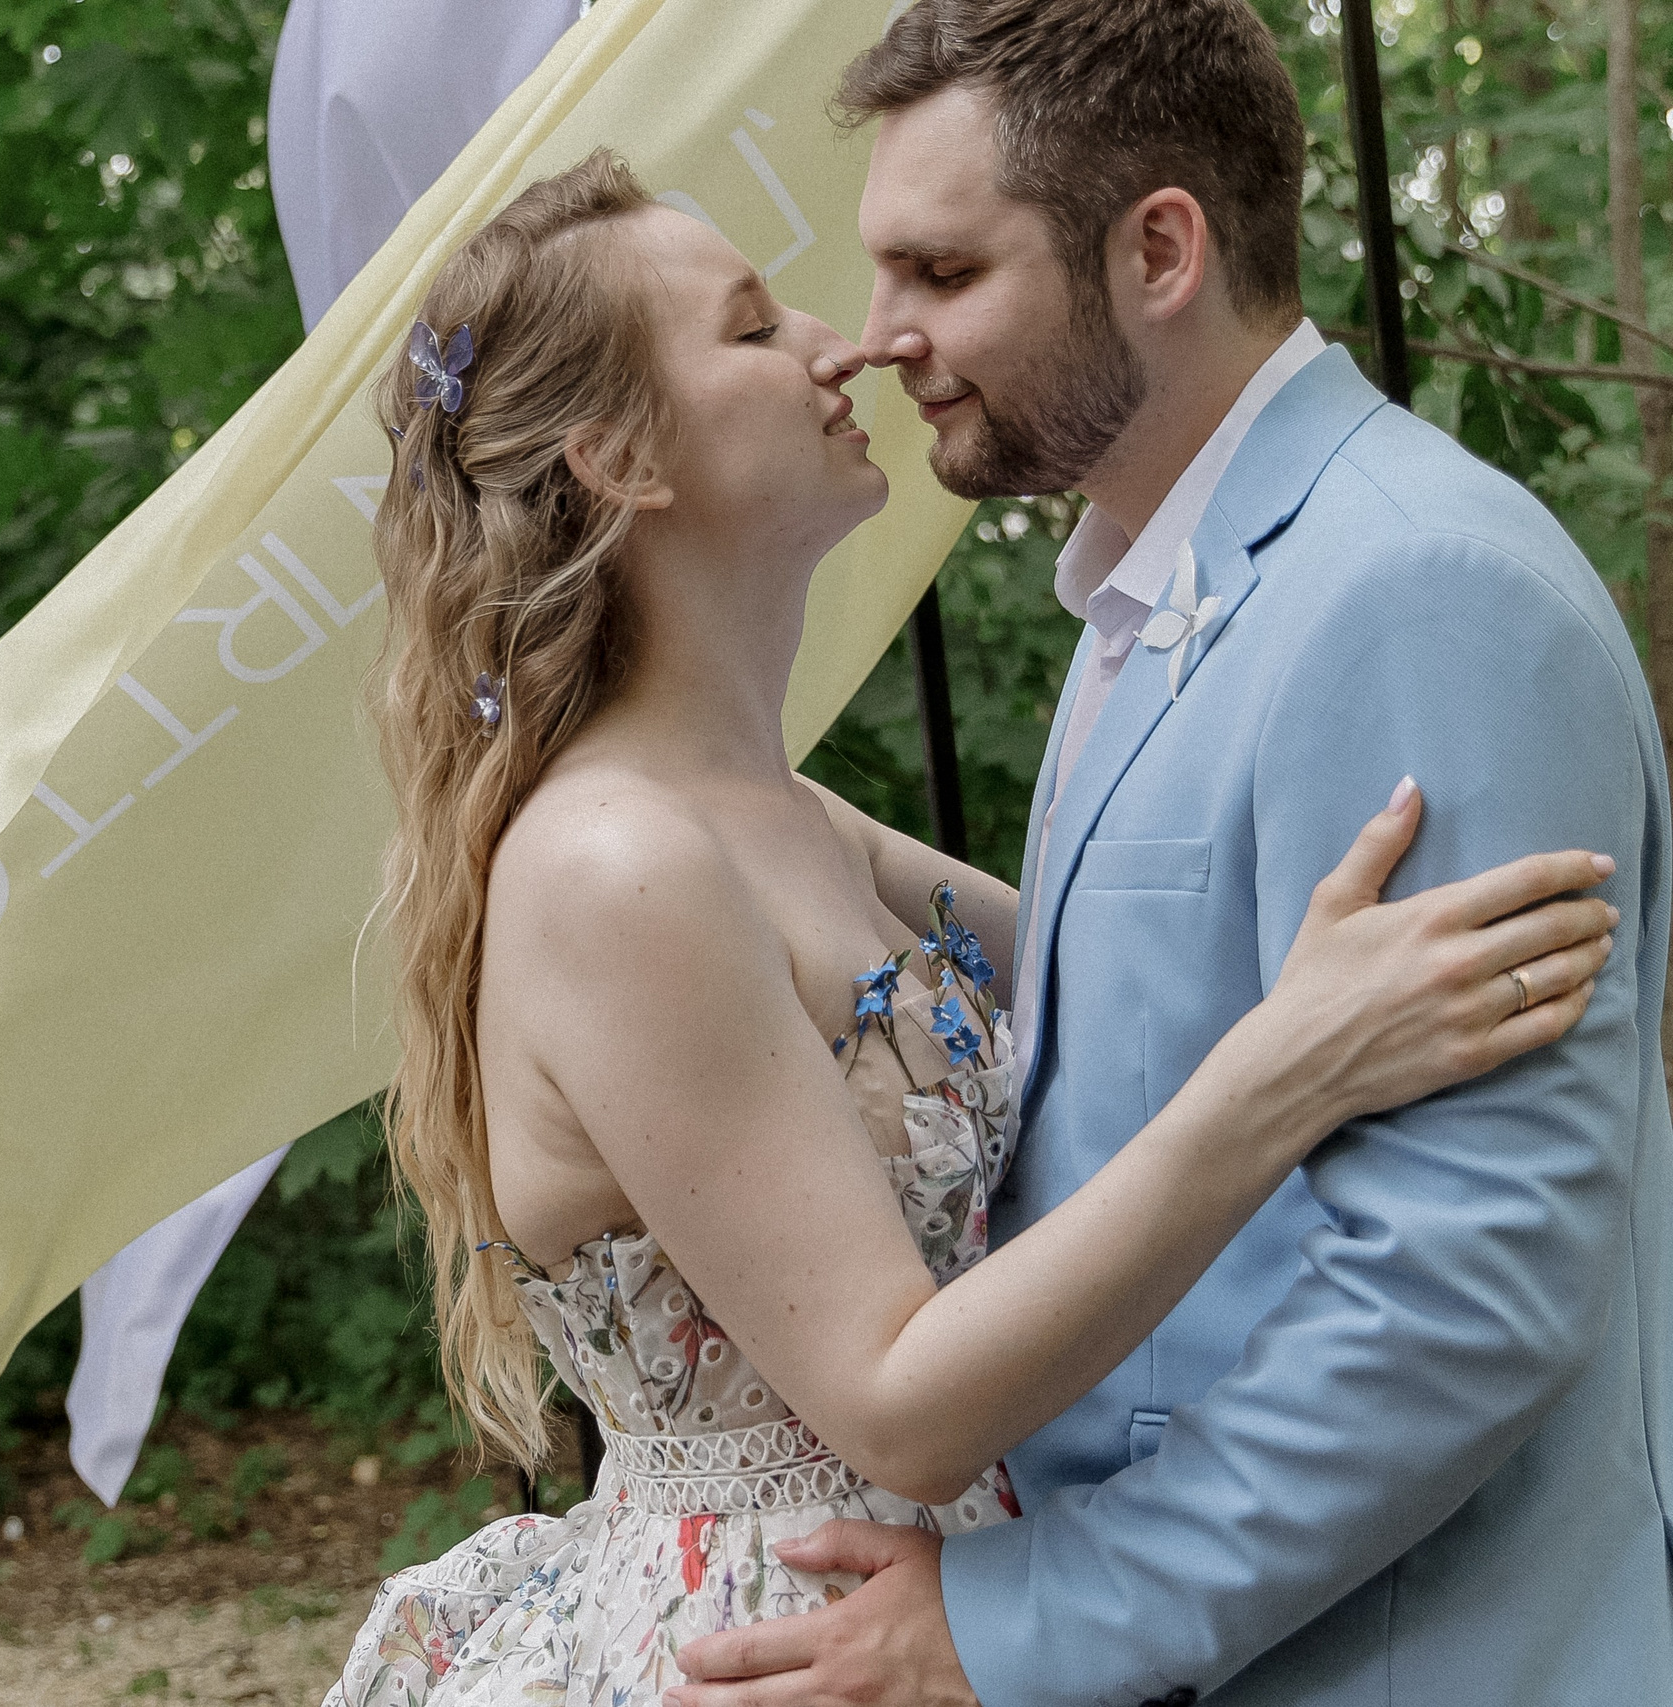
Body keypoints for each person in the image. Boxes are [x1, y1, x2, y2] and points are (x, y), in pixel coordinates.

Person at [319, 146, 1619, 1707]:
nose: (838, 342)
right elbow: (896, 1401)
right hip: (790, 1635)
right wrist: (1291, 1073)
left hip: (972, 1596)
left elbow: (1145, 986)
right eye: (748, 328)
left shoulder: (800, 821)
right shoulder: (614, 866)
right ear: (620, 460)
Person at [667, 4, 1673, 1704]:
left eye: (943, 272)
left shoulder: (1417, 591)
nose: (879, 338)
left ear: (1158, 250)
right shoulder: (1158, 587)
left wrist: (1009, 1623)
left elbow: (1460, 1296)